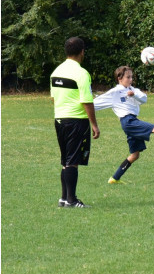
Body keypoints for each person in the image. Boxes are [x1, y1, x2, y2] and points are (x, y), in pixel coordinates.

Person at [50, 37, 101, 208]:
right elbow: (87, 101)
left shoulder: (56, 72)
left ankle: (64, 198)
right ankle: (72, 200)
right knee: (73, 160)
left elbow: (53, 98)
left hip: (59, 119)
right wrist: (94, 124)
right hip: (76, 121)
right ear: (82, 52)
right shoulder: (81, 73)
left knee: (65, 160)